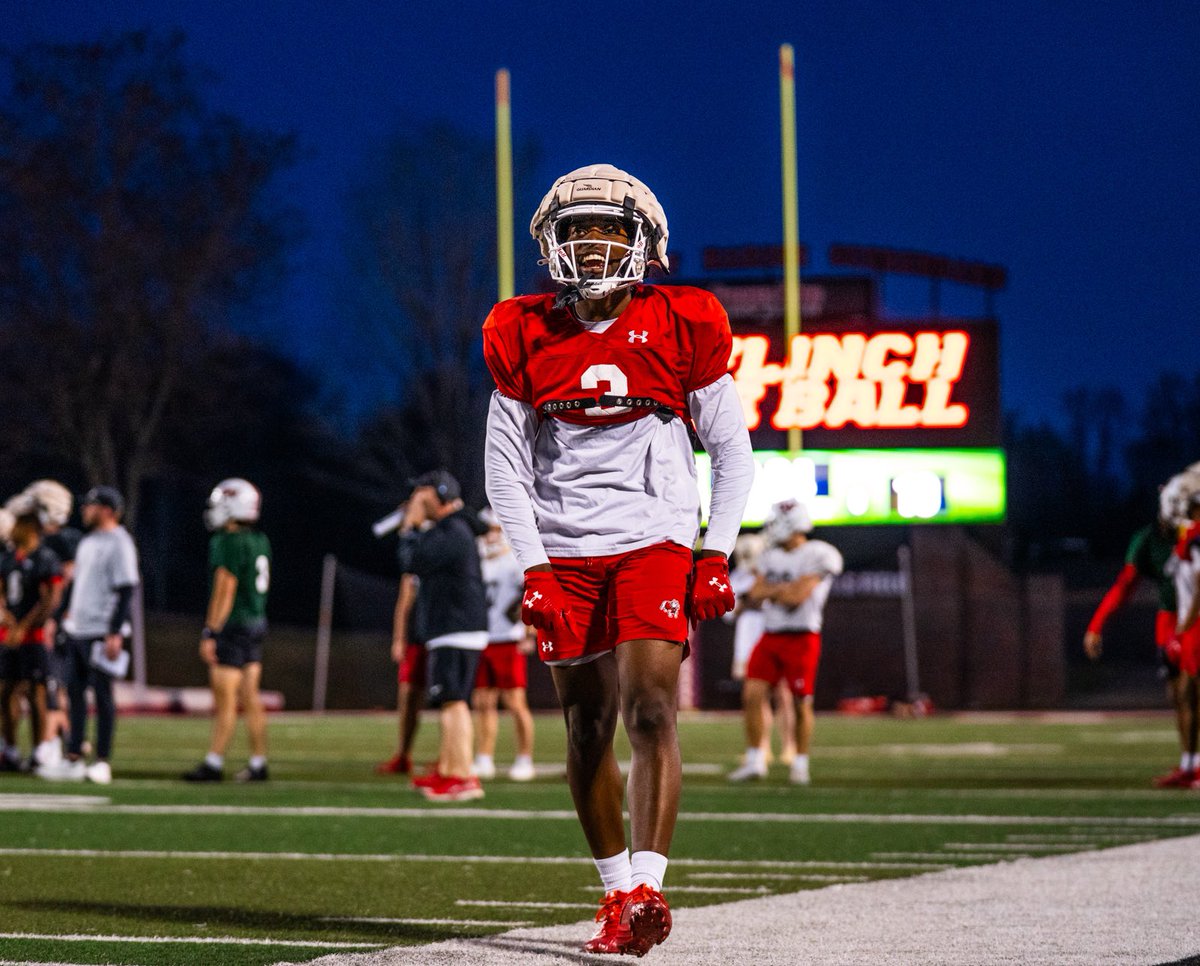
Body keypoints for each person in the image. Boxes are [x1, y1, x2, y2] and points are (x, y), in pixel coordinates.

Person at [483, 164, 753, 956]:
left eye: (607, 228)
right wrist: (533, 567)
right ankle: (614, 894)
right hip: (565, 547)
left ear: (644, 241)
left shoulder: (685, 319)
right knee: (586, 722)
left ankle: (649, 890)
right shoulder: (520, 328)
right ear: (552, 243)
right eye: (577, 229)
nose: (591, 244)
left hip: (654, 539)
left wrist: (714, 552)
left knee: (651, 709)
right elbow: (504, 464)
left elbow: (732, 452)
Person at [728, 500, 843, 786]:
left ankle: (800, 763)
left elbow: (796, 598)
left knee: (801, 701)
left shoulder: (819, 554)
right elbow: (755, 593)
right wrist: (785, 588)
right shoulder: (769, 556)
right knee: (752, 694)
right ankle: (756, 759)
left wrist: (775, 590)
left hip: (802, 635)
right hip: (771, 633)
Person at [1083, 504, 1190, 787]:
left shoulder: (1192, 534)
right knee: (1179, 694)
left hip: (1194, 620)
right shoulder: (1149, 539)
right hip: (1172, 621)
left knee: (1191, 692)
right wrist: (1097, 625)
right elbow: (1126, 584)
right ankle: (1190, 762)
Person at [38, 486, 139, 785]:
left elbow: (125, 590)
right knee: (75, 694)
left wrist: (114, 632)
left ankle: (103, 761)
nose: (85, 510)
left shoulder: (120, 543)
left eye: (92, 506)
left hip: (100, 631)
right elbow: (75, 587)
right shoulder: (88, 542)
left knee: (103, 695)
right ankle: (74, 758)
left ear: (108, 510)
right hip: (78, 630)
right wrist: (57, 619)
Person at [399, 470, 489, 802]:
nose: (415, 503)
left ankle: (463, 775)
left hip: (457, 627)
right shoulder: (450, 529)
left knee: (454, 703)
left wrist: (410, 524)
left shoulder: (454, 529)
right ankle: (451, 769)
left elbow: (412, 560)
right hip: (452, 628)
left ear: (438, 496)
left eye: (422, 496)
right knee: (450, 702)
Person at [184, 479, 273, 782]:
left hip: (233, 626)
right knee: (251, 697)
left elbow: (226, 587)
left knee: (226, 701)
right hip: (256, 623)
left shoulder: (226, 541)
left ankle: (214, 762)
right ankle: (259, 762)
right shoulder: (260, 540)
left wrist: (211, 631)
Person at [472, 508, 536, 782]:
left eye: (495, 530)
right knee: (483, 701)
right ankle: (484, 756)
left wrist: (528, 631)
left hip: (508, 637)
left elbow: (532, 592)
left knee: (515, 702)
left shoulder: (514, 558)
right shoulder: (475, 556)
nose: (490, 535)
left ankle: (524, 757)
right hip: (480, 637)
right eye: (486, 529)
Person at [0, 503, 64, 771]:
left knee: (37, 692)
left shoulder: (45, 558)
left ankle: (39, 750)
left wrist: (24, 626)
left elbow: (51, 599)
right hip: (8, 635)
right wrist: (5, 616)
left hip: (33, 636)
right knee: (5, 692)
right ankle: (10, 749)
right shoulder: (7, 558)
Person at [23, 480, 81, 769]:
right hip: (46, 621)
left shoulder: (64, 542)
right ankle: (68, 740)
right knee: (47, 685)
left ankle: (53, 745)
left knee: (52, 683)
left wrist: (56, 619)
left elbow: (67, 584)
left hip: (57, 623)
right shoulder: (38, 542)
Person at [377, 507, 429, 776]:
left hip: (442, 633)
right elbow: (404, 601)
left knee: (451, 698)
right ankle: (403, 753)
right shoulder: (417, 553)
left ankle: (450, 756)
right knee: (408, 694)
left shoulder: (448, 541)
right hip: (418, 636)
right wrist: (399, 638)